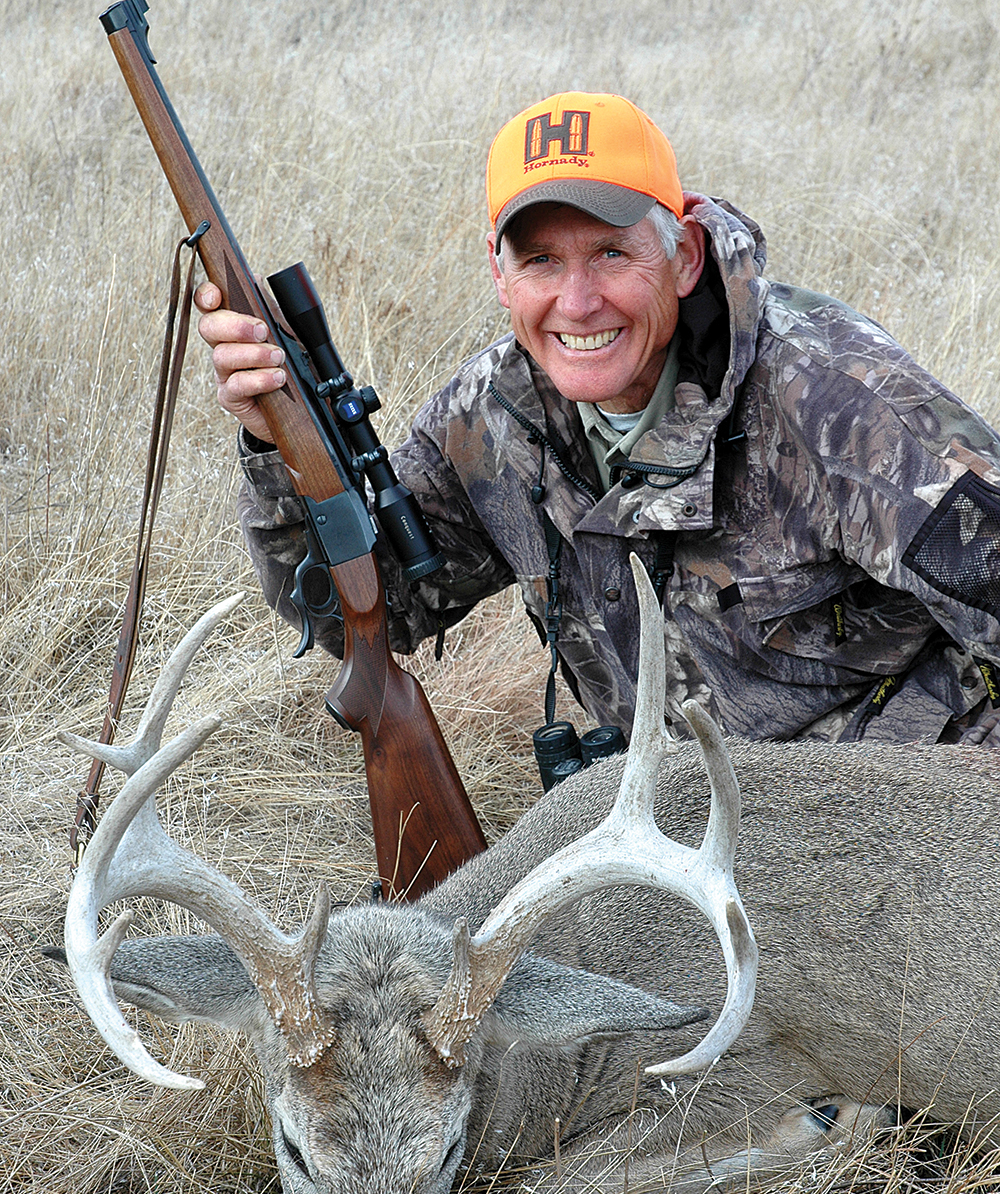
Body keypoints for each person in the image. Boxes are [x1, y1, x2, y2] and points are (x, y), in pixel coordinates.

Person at [197, 91, 1000, 746]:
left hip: (892, 827)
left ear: (684, 255)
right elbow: (365, 614)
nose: (577, 303)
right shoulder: (488, 422)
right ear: (499, 271)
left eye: (612, 253)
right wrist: (275, 443)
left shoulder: (841, 405)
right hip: (672, 831)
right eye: (541, 260)